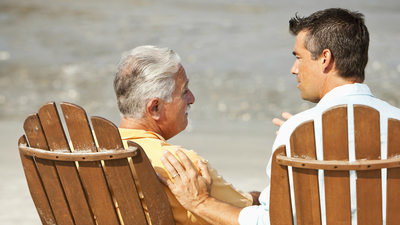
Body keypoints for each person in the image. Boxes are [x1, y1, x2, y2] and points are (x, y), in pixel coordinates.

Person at [158, 8, 400, 224]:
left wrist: (201, 203)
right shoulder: (396, 122)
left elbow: (271, 220)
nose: (294, 69)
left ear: (325, 58)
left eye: (298, 57)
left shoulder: (297, 131)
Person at [113, 45, 256, 225]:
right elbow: (251, 215)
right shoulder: (181, 166)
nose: (192, 98)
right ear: (155, 108)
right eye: (184, 91)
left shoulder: (82, 156)